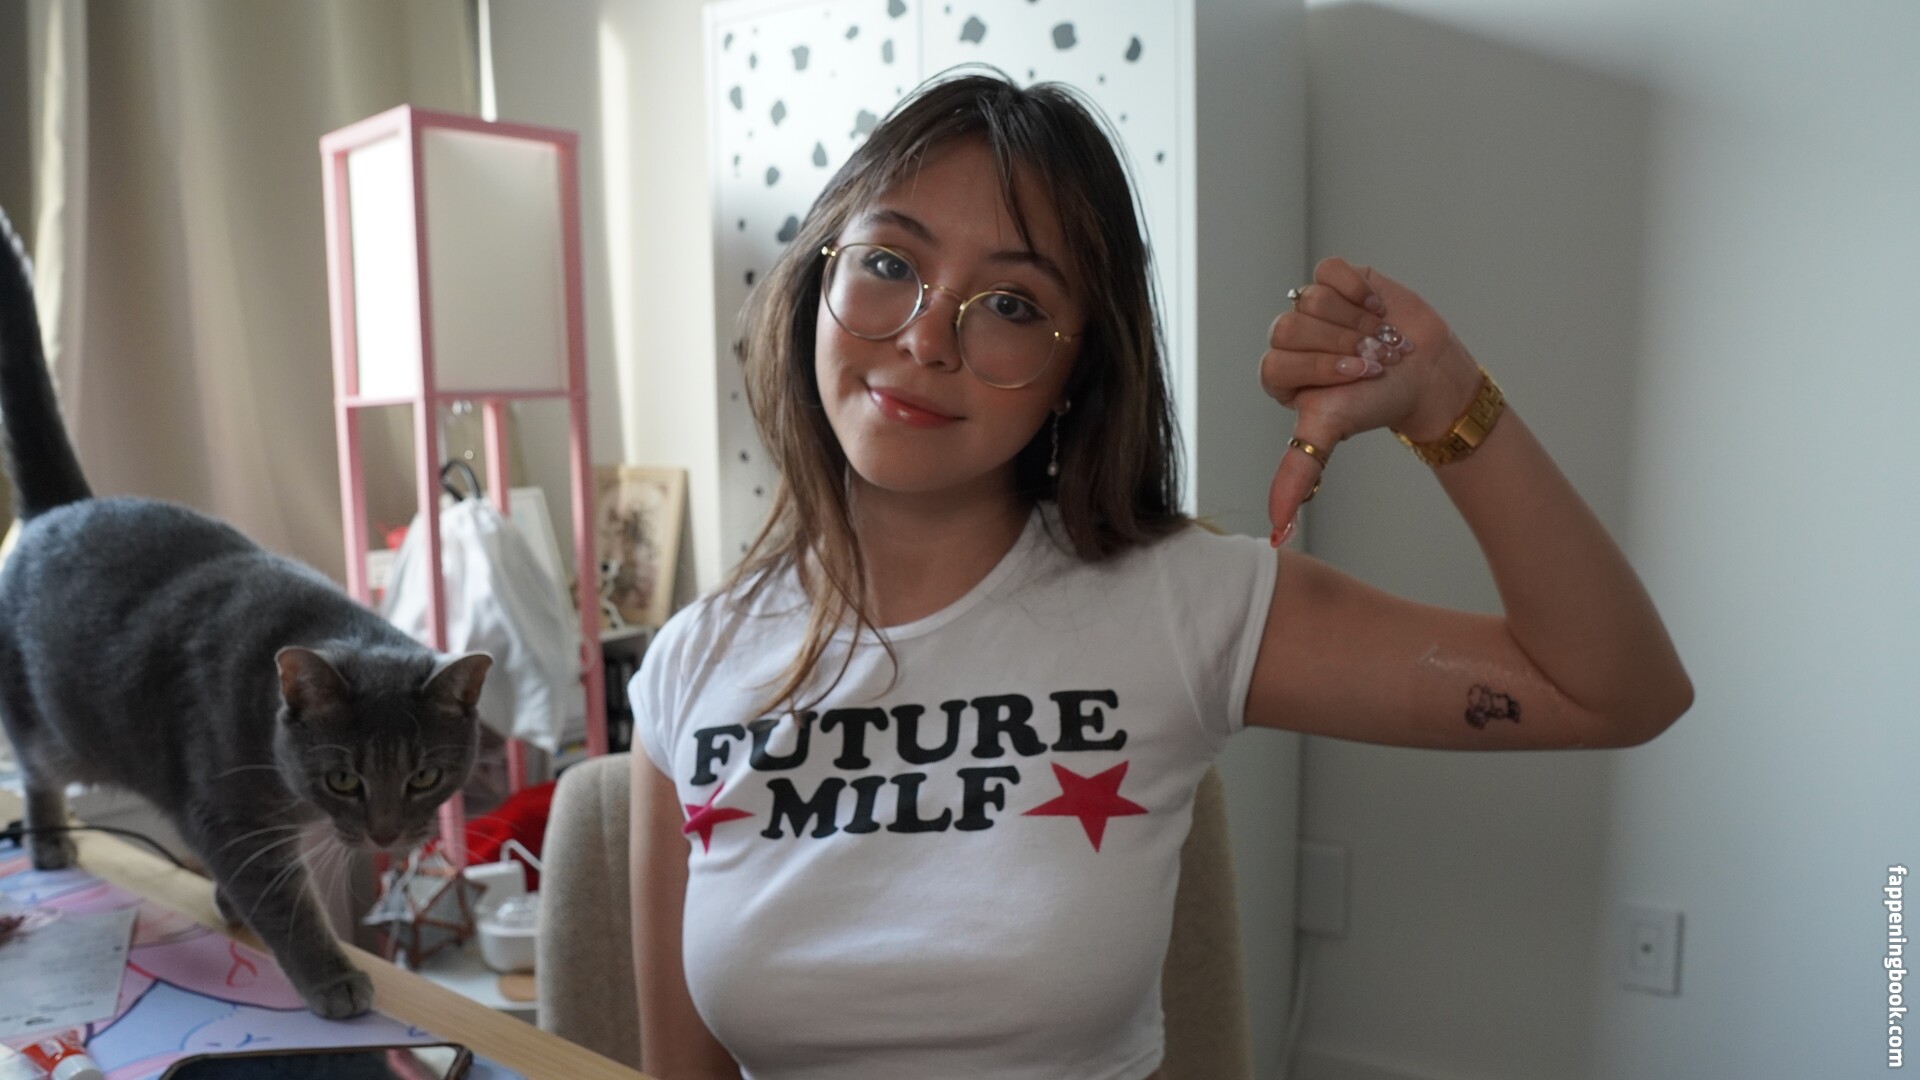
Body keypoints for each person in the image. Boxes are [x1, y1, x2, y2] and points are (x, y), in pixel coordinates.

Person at [627, 70, 1692, 1080]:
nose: (928, 338)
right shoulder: (690, 668)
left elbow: (1617, 691)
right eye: (891, 264)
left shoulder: (1175, 605)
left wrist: (1445, 396)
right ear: (819, 278)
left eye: (1011, 304)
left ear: (1077, 371)